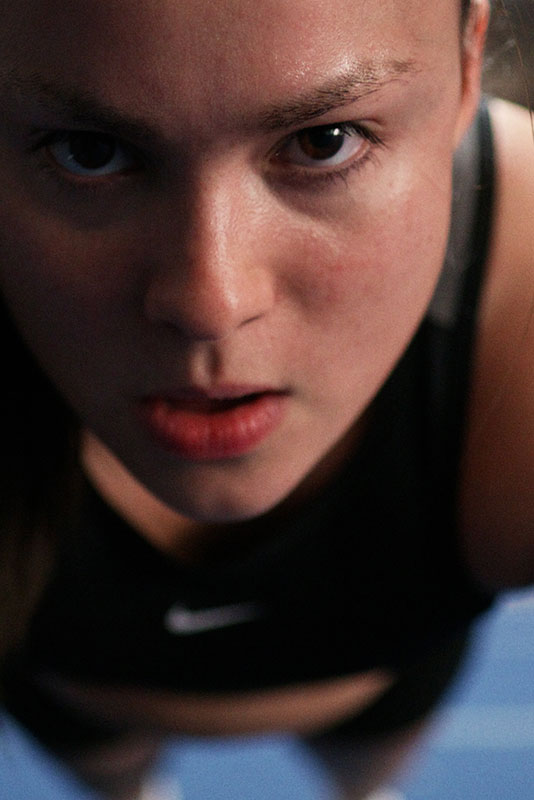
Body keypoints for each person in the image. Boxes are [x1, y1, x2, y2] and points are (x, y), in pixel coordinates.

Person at [0, 0, 533, 797]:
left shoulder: (520, 277)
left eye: (325, 140)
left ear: (466, 71)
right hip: (72, 707)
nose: (211, 303)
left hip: (384, 694)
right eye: (90, 151)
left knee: (369, 773)